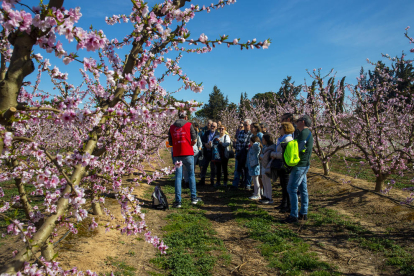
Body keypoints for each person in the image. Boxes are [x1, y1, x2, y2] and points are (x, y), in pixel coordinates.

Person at [282, 115, 314, 223]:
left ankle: (293, 215)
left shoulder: (304, 133)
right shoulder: (304, 133)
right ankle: (303, 212)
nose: (296, 123)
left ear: (303, 122)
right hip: (303, 164)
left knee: (291, 188)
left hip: (300, 165)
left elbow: (299, 148)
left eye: (298, 121)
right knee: (303, 189)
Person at [168, 112, 202, 208]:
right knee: (191, 175)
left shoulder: (171, 127)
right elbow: (195, 140)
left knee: (178, 177)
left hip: (177, 154)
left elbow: (170, 142)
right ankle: (193, 198)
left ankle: (178, 201)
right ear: (186, 117)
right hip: (188, 154)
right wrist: (188, 145)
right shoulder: (189, 125)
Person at [271, 122, 295, 213]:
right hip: (280, 164)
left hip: (284, 165)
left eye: (281, 127)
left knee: (286, 186)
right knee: (283, 185)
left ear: (285, 129)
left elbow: (284, 154)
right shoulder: (281, 139)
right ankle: (284, 203)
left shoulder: (287, 139)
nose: (279, 129)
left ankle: (288, 206)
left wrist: (273, 154)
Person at [232, 119, 253, 190]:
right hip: (240, 153)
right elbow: (237, 142)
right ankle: (235, 185)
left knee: (247, 170)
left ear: (250, 125)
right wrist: (238, 151)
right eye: (244, 124)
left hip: (248, 154)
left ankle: (248, 185)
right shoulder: (241, 132)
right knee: (237, 169)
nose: (244, 126)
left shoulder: (252, 134)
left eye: (246, 125)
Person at [182, 122, 202, 188]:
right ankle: (186, 181)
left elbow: (200, 143)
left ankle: (191, 183)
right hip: (186, 153)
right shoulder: (184, 135)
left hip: (194, 153)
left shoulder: (196, 135)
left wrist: (199, 149)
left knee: (191, 168)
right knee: (185, 168)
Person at [259, 134, 275, 204]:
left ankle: (269, 197)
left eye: (263, 139)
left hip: (267, 166)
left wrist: (262, 156)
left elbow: (266, 156)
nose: (262, 141)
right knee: (264, 181)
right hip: (263, 165)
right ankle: (265, 195)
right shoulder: (265, 147)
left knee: (267, 182)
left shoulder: (270, 147)